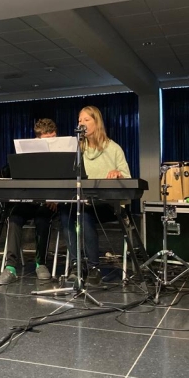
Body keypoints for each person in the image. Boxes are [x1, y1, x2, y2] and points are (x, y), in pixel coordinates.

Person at [61, 106, 131, 286]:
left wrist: (118, 174)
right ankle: (76, 265)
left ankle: (93, 267)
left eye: (86, 120)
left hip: (108, 205)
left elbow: (127, 177)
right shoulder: (77, 149)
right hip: (83, 202)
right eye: (79, 120)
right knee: (65, 212)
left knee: (85, 215)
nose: (81, 124)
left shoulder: (113, 148)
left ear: (96, 122)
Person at [0, 118, 58, 285]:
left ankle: (41, 263)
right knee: (14, 217)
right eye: (46, 140)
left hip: (50, 202)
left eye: (53, 138)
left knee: (42, 219)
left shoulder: (61, 155)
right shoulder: (28, 155)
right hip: (29, 200)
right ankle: (10, 267)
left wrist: (55, 199)